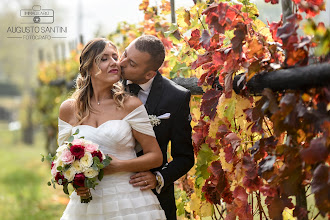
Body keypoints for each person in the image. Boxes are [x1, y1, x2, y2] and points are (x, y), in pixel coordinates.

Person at [57, 38, 167, 220]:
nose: (114, 62)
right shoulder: (68, 109)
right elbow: (63, 160)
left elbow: (155, 156)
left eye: (115, 57)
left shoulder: (130, 104)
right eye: (104, 58)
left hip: (130, 199)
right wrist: (76, 183)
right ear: (89, 67)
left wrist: (119, 166)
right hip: (87, 203)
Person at [120, 35, 194, 219]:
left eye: (132, 63)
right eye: (124, 54)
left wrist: (158, 178)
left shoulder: (176, 98)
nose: (121, 63)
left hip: (154, 199)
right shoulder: (107, 85)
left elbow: (185, 157)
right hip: (112, 188)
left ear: (149, 74)